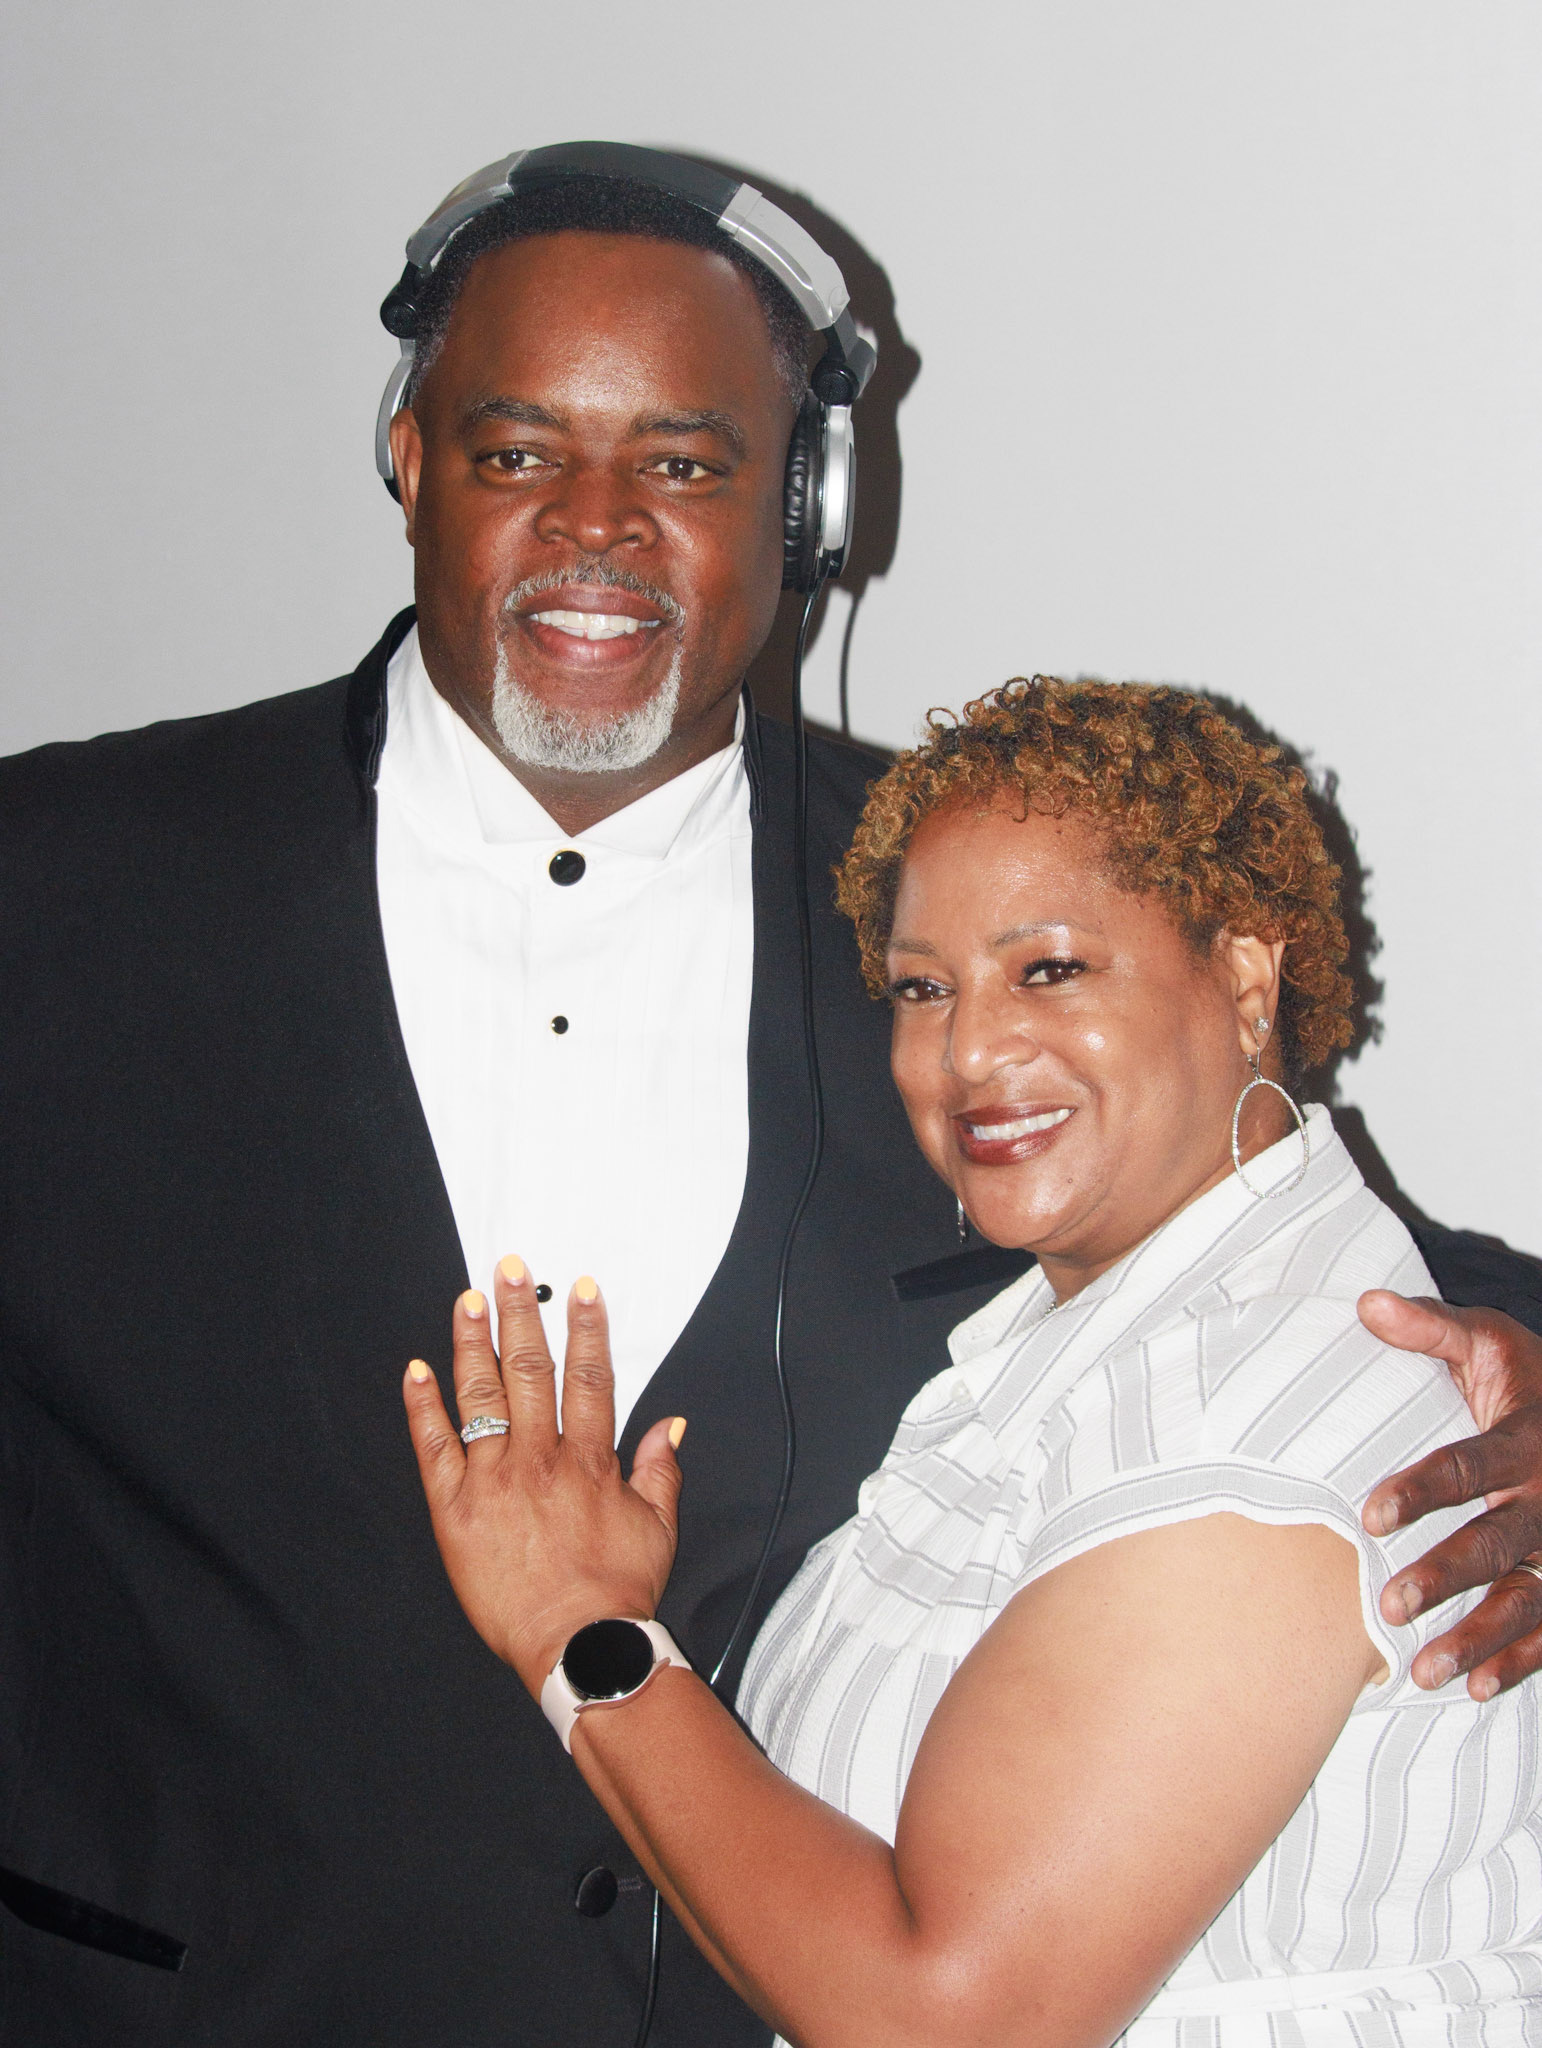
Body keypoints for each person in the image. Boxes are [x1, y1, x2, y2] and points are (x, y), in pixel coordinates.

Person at [0, 144, 1538, 2046]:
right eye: (517, 451)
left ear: (803, 508)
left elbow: (1317, 1267)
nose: (595, 525)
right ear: (406, 460)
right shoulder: (58, 879)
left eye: (682, 464)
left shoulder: (962, 919)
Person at [407, 679, 1542, 2048]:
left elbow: (945, 2020)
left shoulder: (1240, 1417)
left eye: (1049, 968)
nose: (967, 1050)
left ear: (1247, 979)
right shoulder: (1079, 1337)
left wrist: (577, 1627)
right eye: (922, 988)